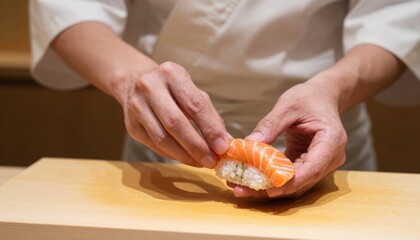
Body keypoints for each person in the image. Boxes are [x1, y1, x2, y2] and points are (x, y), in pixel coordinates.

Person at [30, 1, 420, 198]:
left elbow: (395, 14)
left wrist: (334, 88)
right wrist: (132, 79)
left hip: (322, 129)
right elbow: (68, 6)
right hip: (163, 134)